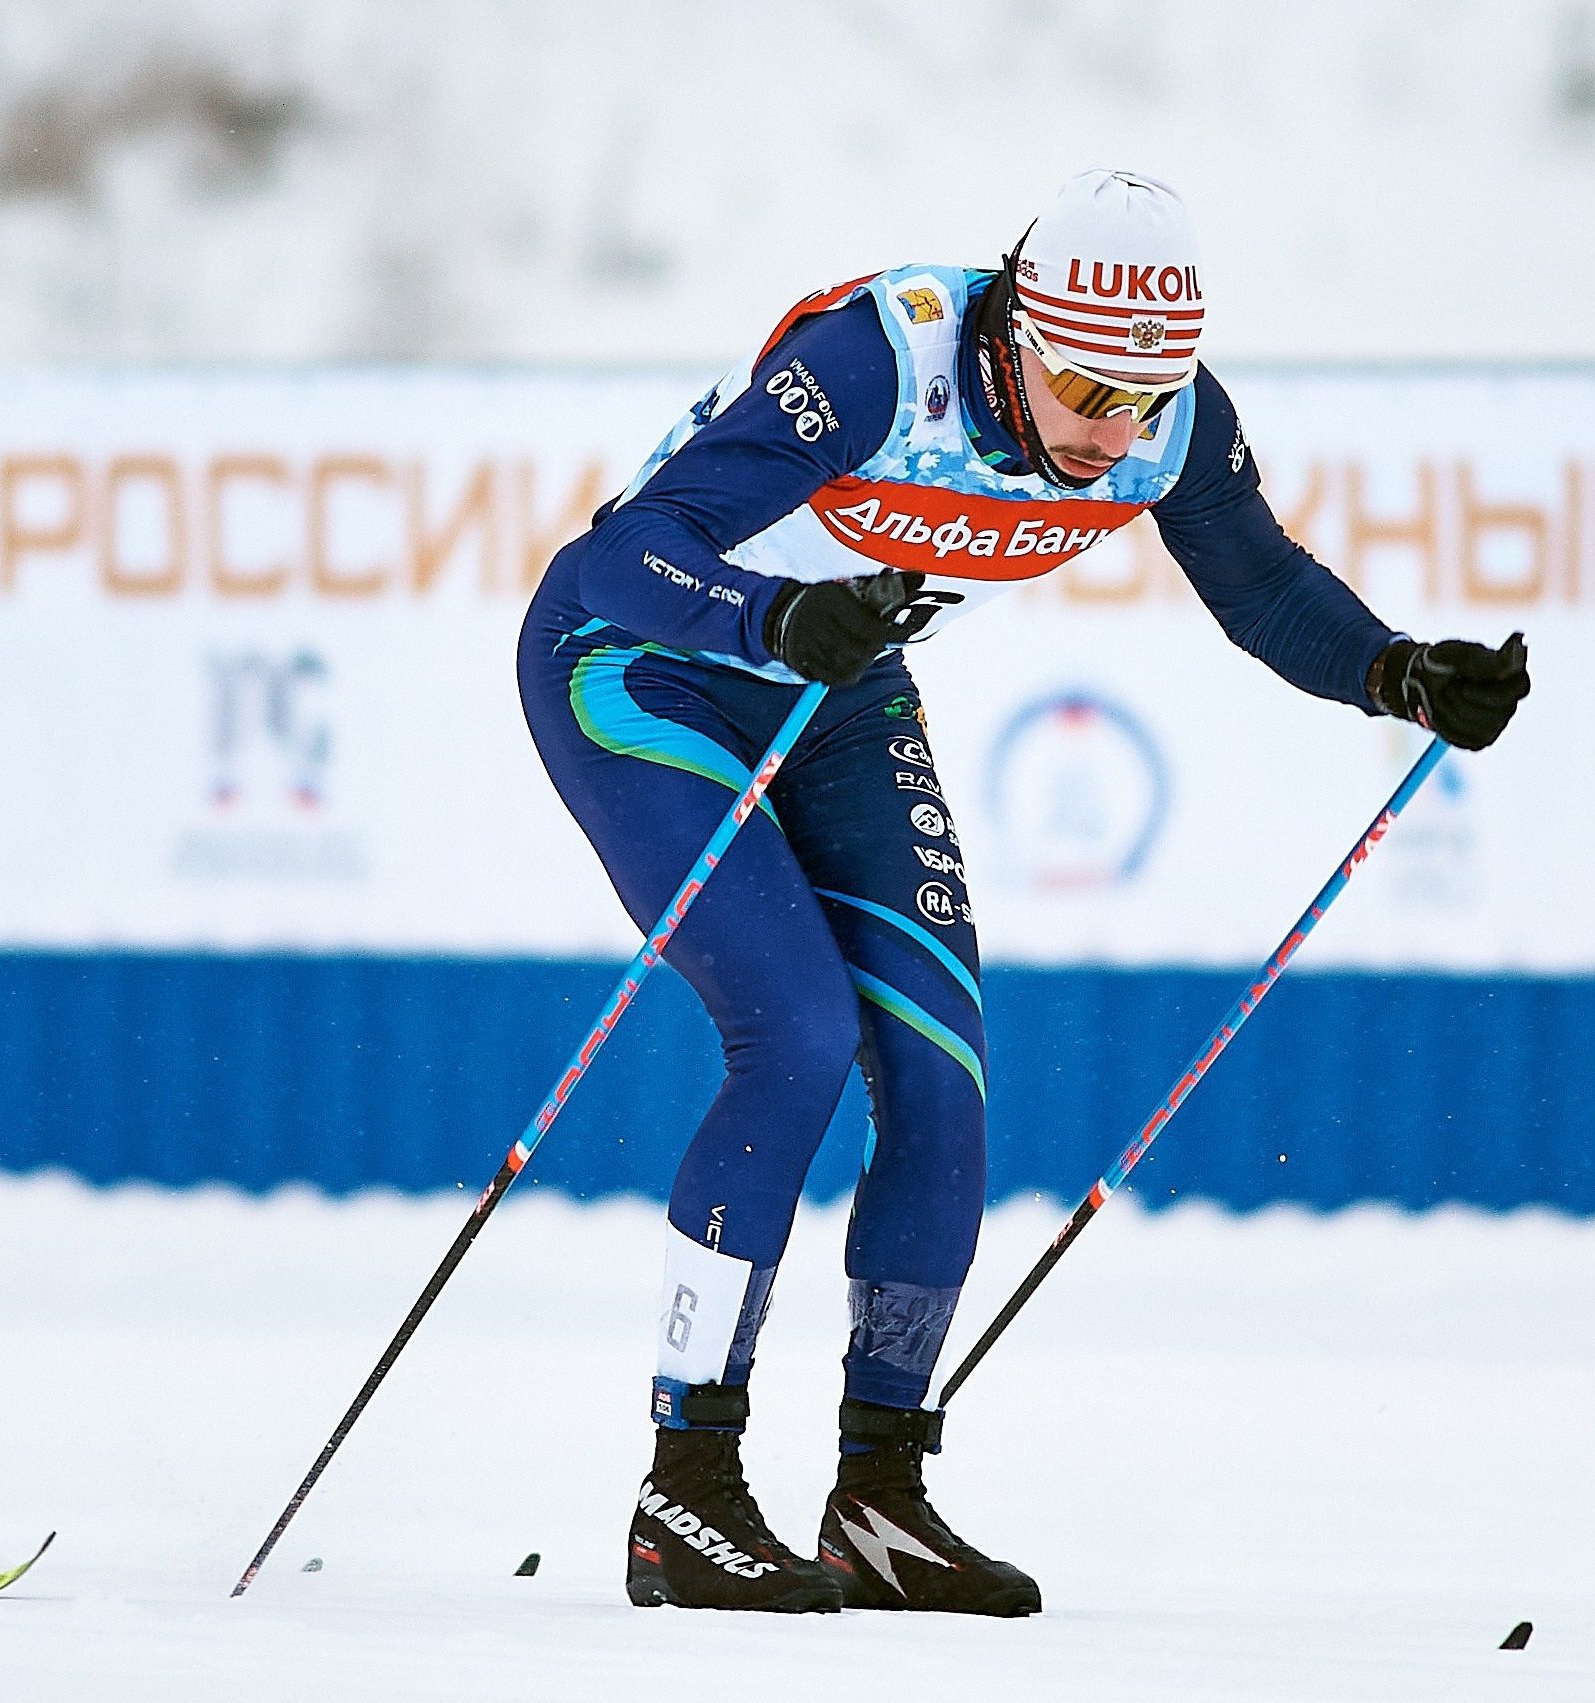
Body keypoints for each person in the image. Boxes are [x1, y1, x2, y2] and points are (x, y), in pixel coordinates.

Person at [516, 168, 1530, 1618]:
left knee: (940, 1074)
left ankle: (878, 1495)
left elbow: (1260, 587)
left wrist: (1396, 671)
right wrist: (773, 613)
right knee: (795, 1035)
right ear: (1014, 336)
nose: (1110, 435)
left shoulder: (1165, 417)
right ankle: (689, 1488)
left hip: (837, 683)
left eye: (1144, 402)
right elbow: (612, 559)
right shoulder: (881, 362)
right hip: (642, 664)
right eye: (1082, 394)